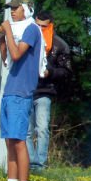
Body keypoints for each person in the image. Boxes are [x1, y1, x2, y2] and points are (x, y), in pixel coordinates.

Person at [0, 0, 44, 181]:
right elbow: (7, 58)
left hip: (21, 92)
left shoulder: (31, 29)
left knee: (19, 142)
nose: (12, 11)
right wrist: (2, 38)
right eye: (11, 8)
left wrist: (6, 30)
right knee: (9, 141)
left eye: (16, 8)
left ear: (27, 9)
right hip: (10, 90)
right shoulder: (16, 31)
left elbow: (17, 55)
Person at [27, 11, 73, 171]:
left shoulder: (60, 45)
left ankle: (39, 165)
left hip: (45, 90)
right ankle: (30, 163)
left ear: (50, 25)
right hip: (26, 90)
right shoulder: (26, 40)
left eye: (43, 26)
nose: (40, 29)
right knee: (26, 130)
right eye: (37, 25)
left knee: (42, 128)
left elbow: (66, 71)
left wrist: (50, 72)